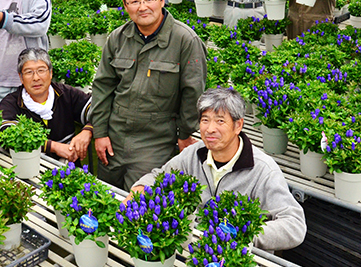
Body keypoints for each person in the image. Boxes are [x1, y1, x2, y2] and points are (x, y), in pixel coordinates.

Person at [131, 88, 307, 251]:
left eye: (220, 121)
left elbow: (294, 224)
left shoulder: (263, 170)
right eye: (205, 120)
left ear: (238, 125)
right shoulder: (194, 153)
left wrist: (243, 233)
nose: (210, 129)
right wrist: (139, 189)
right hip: (195, 252)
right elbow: (160, 177)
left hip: (238, 264)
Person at [90, 0, 207, 191]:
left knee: (138, 206)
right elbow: (103, 88)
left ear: (162, 0)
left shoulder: (185, 41)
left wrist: (184, 135)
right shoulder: (118, 38)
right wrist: (100, 133)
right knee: (102, 199)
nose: (142, 7)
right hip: (113, 140)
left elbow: (193, 93)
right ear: (125, 6)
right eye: (134, 1)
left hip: (155, 143)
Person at [0, 48, 92, 163]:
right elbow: (6, 133)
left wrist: (88, 131)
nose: (36, 78)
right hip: (30, 169)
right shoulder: (11, 103)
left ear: (51, 73)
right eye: (28, 72)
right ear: (21, 78)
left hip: (68, 168)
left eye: (41, 70)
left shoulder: (66, 94)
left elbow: (98, 108)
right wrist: (54, 147)